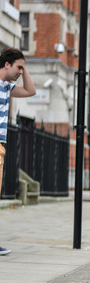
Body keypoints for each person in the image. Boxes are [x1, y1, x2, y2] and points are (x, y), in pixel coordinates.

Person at [0, 48, 36, 255]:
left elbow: (31, 91)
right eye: (18, 67)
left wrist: (24, 67)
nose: (21, 72)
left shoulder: (6, 87)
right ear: (6, 64)